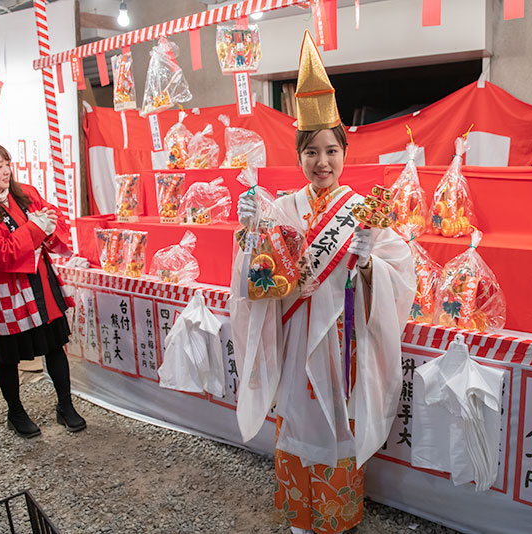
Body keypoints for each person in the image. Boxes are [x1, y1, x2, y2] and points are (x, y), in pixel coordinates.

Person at [230, 32, 416, 534]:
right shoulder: (283, 208)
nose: (322, 162)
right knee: (296, 419)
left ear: (344, 152)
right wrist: (249, 233)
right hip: (294, 337)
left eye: (331, 150)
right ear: (299, 155)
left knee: (337, 422)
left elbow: (402, 274)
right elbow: (258, 275)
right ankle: (299, 515)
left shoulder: (362, 211)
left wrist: (369, 266)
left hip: (342, 340)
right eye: (311, 152)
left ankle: (333, 515)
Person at [0, 137, 86, 438]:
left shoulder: (25, 193)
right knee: (9, 356)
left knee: (56, 345)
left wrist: (50, 230)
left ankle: (65, 405)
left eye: (8, 164)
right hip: (8, 292)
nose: (7, 171)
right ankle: (15, 412)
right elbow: (2, 254)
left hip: (40, 280)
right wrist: (36, 228)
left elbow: (54, 225)